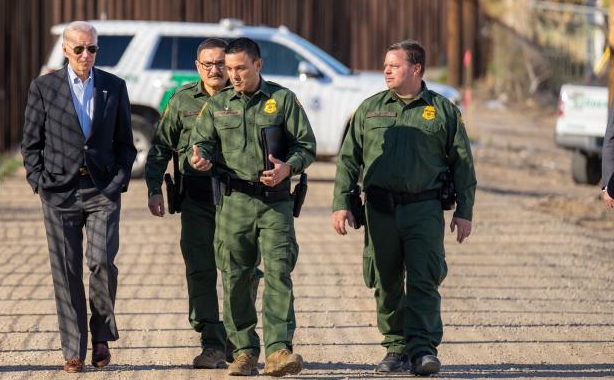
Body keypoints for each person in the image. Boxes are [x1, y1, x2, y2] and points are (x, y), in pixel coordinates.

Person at [331, 40, 475, 377]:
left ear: (416, 69)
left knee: (424, 280)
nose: (386, 70)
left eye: (394, 65)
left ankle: (423, 350)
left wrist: (465, 211)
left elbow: (463, 164)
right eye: (385, 65)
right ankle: (395, 347)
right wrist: (341, 203)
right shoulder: (369, 109)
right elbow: (348, 160)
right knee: (386, 280)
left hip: (423, 209)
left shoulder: (443, 110)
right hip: (379, 210)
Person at [190, 37, 316, 377]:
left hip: (275, 203)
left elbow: (307, 145)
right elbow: (201, 142)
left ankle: (278, 351)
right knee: (235, 277)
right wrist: (199, 157)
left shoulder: (282, 100)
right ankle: (244, 352)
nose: (233, 75)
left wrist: (288, 168)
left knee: (278, 273)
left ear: (258, 65)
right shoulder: (218, 105)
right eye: (229, 69)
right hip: (234, 203)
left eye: (240, 68)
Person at [20, 20, 136, 373]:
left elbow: (126, 144)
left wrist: (117, 181)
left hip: (101, 190)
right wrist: (39, 182)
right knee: (66, 271)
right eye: (80, 48)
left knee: (101, 262)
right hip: (59, 192)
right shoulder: (43, 87)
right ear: (66, 50)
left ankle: (101, 335)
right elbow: (31, 143)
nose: (87, 55)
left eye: (93, 49)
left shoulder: (114, 87)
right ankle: (74, 350)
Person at [144, 38, 234, 368]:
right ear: (197, 67)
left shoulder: (242, 98)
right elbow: (159, 149)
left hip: (237, 200)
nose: (215, 69)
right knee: (200, 271)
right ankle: (212, 343)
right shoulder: (182, 101)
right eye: (208, 64)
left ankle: (238, 340)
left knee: (241, 271)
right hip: (196, 200)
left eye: (221, 63)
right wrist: (154, 189)